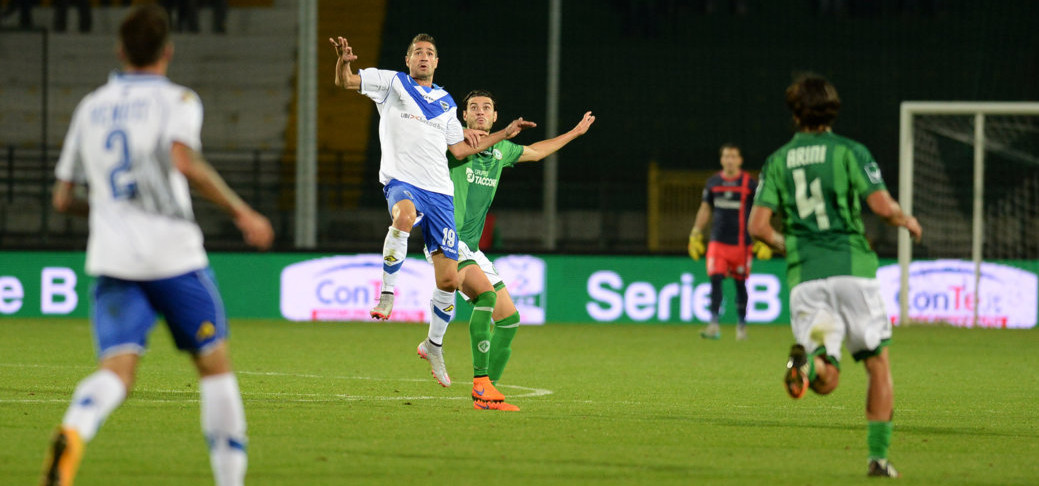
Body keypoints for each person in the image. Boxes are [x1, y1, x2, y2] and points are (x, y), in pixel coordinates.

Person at [40, 5, 273, 486]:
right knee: (215, 368)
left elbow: (62, 198)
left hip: (114, 259)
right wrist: (242, 212)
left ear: (120, 50)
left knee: (118, 372)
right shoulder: (178, 100)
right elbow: (183, 159)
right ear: (167, 51)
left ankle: (74, 430)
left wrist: (105, 211)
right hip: (173, 256)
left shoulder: (91, 107)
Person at [328, 34, 534, 390]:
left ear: (437, 63)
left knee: (449, 281)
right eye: (418, 52)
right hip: (402, 180)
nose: (424, 57)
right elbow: (346, 82)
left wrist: (503, 133)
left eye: (430, 53)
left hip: (440, 193)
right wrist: (344, 62)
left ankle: (433, 345)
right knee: (403, 217)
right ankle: (387, 293)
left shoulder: (446, 102)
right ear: (407, 59)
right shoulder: (392, 82)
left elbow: (458, 150)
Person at [748, 74, 922, 478]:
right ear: (833, 110)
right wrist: (905, 219)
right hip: (852, 271)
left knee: (828, 378)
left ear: (794, 113)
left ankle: (807, 362)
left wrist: (789, 245)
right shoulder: (850, 151)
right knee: (876, 363)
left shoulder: (776, 161)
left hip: (806, 278)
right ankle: (878, 459)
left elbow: (758, 227)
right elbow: (880, 206)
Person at [451, 90, 594, 392]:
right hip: (448, 239)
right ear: (463, 115)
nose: (479, 111)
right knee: (486, 299)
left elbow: (537, 151)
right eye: (473, 107)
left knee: (509, 319)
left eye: (486, 107)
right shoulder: (453, 145)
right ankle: (480, 384)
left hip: (472, 248)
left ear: (494, 116)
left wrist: (575, 132)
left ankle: (490, 386)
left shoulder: (501, 151)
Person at [688, 144, 771, 340]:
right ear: (722, 159)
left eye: (733, 156)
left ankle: (741, 325)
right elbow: (705, 208)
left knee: (740, 284)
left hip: (742, 244)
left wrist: (763, 237)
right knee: (715, 280)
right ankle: (714, 324)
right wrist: (695, 233)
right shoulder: (713, 182)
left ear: (740, 160)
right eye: (726, 156)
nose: (729, 160)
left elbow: (761, 209)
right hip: (718, 243)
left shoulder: (749, 184)